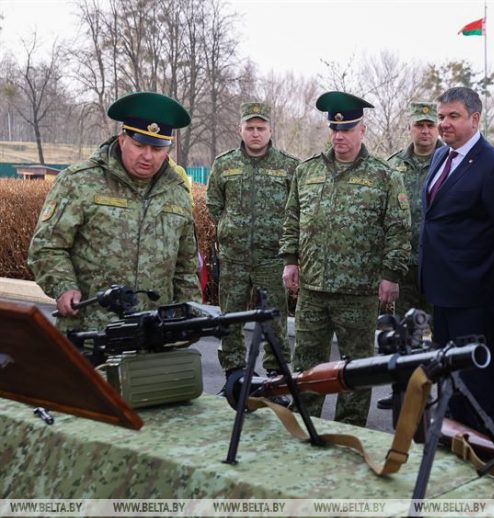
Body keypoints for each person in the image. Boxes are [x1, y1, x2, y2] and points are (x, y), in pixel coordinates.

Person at [279, 91, 411, 427]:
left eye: (347, 129)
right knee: (306, 363)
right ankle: (303, 426)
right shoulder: (306, 171)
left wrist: (391, 274)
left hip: (358, 292)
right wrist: (290, 260)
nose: (339, 136)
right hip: (313, 288)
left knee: (356, 368)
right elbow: (292, 218)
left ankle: (350, 431)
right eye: (335, 129)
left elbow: (398, 228)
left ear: (362, 130)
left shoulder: (384, 175)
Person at [28, 91, 200, 331]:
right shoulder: (79, 182)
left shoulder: (177, 193)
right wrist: (63, 286)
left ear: (167, 150)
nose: (147, 156)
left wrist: (190, 319)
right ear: (122, 140)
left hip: (154, 335)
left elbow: (186, 267)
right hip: (90, 332)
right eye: (139, 145)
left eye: (157, 149)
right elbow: (47, 246)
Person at [419, 87, 494, 431]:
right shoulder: (440, 157)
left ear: (474, 119)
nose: (444, 123)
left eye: (453, 116)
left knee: (474, 379)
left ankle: (484, 445)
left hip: (474, 294)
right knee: (448, 373)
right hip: (441, 289)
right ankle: (451, 439)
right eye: (441, 116)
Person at [206, 102, 299, 379]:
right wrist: (230, 229)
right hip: (234, 258)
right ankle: (234, 373)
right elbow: (214, 204)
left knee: (275, 319)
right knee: (229, 318)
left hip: (272, 259)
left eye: (260, 128)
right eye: (250, 128)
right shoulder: (224, 164)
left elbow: (296, 209)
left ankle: (276, 375)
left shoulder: (289, 165)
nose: (255, 133)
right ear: (240, 130)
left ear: (270, 130)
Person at [376, 101, 442, 411]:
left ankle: (439, 394)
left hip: (439, 265)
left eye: (430, 125)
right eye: (419, 125)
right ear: (410, 128)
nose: (425, 131)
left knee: (442, 334)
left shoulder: (449, 160)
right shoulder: (393, 165)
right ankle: (402, 392)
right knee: (404, 333)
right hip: (405, 265)